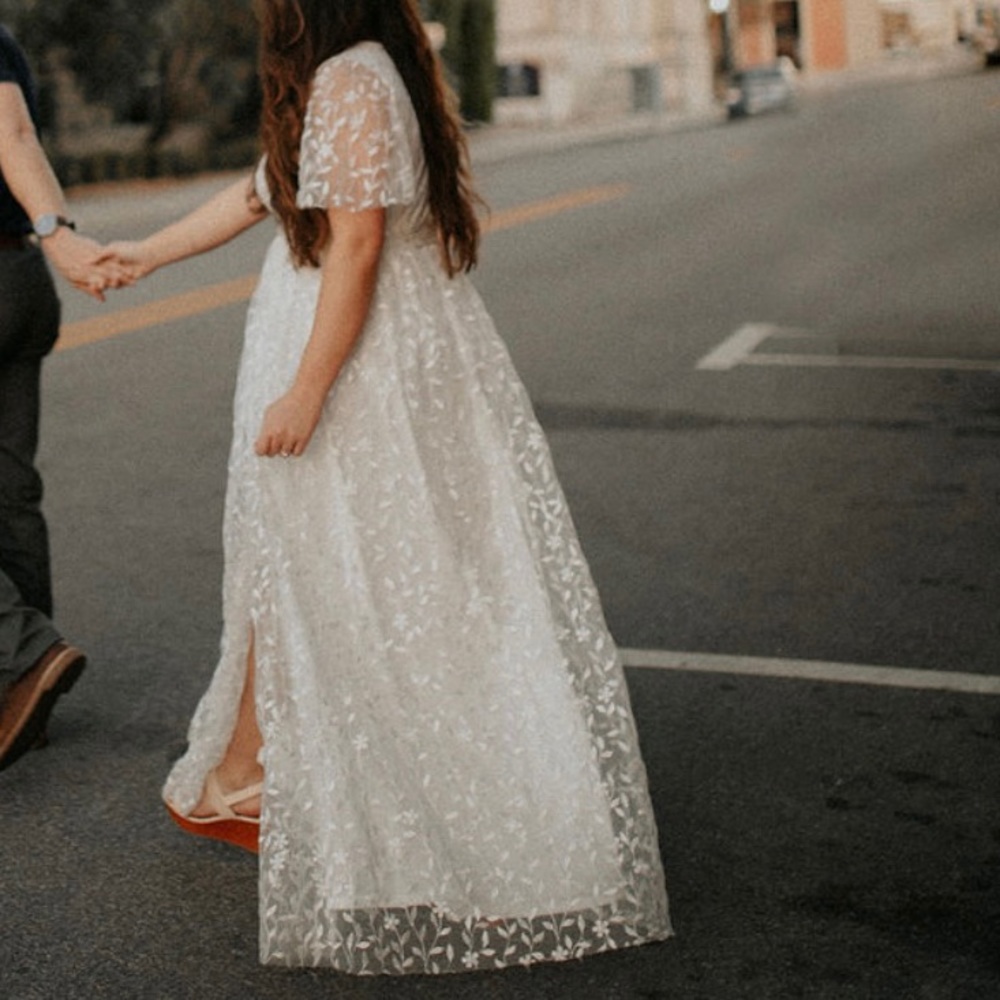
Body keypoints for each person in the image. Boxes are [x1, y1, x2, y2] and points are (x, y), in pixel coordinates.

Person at [105, 0, 671, 973]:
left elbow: (357, 244)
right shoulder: (354, 76)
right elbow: (259, 195)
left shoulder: (351, 80)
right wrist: (144, 254)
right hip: (354, 358)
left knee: (388, 593)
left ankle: (489, 837)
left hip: (358, 375)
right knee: (297, 570)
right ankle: (242, 773)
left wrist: (309, 389)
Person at [0, 23, 123, 772]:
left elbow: (9, 133)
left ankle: (24, 651)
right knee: (11, 488)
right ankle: (26, 700)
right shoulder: (6, 39)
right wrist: (54, 235)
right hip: (20, 282)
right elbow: (19, 133)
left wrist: (58, 229)